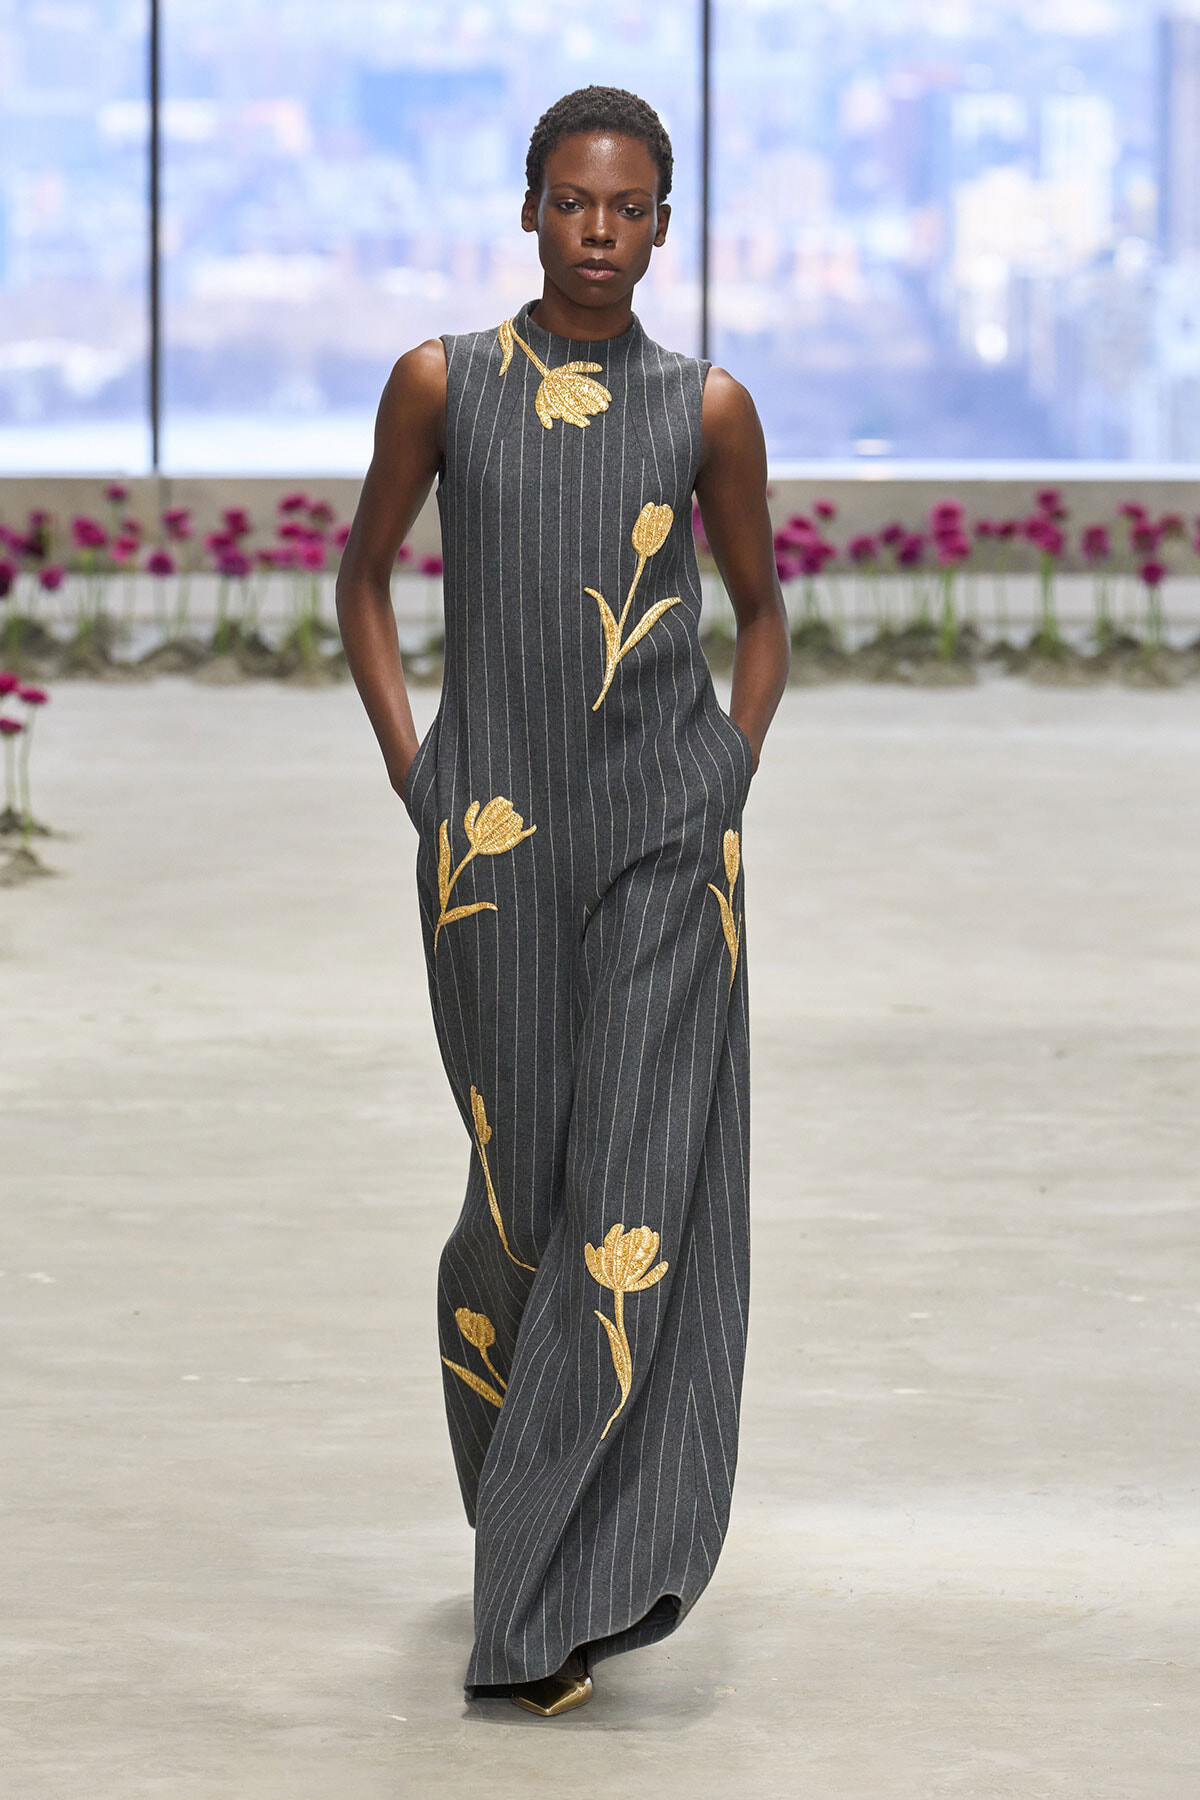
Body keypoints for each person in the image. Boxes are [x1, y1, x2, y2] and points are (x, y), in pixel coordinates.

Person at [336, 85, 789, 1717]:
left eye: (632, 208)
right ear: (528, 207)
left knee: (636, 1209)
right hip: (494, 846)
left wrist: (718, 782)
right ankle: (523, 1515)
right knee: (522, 1207)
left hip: (669, 846)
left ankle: (550, 1603)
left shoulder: (706, 407)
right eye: (574, 203)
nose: (601, 233)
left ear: (666, 226)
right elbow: (364, 578)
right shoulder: (444, 382)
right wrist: (419, 772)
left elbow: (762, 618)